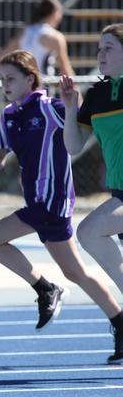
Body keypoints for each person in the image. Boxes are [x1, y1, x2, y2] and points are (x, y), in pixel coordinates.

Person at [0, 50, 122, 360]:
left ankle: (48, 290)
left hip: (53, 204)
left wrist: (70, 105)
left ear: (30, 79)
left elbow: (76, 128)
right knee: (74, 272)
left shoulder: (49, 108)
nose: (5, 85)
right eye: (1, 80)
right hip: (35, 203)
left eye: (11, 78)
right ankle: (111, 317)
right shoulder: (9, 115)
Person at [60, 23, 123, 364]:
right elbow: (73, 146)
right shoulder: (96, 95)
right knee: (92, 232)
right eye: (99, 47)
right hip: (120, 191)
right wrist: (71, 106)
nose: (101, 53)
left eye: (109, 47)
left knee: (88, 230)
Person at [0, 0, 75, 78]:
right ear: (55, 13)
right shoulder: (55, 37)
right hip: (43, 86)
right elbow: (65, 70)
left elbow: (1, 57)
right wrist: (76, 90)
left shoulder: (24, 32)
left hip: (24, 86)